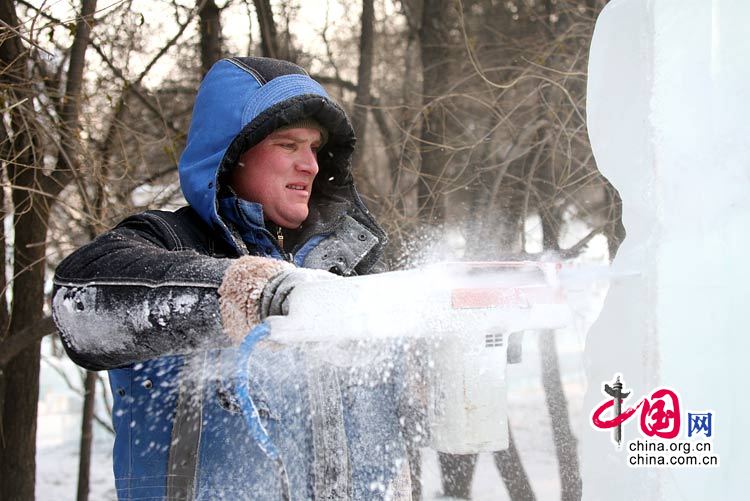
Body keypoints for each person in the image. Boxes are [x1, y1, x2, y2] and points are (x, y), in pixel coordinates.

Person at [52, 57, 417, 500]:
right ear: (232, 153)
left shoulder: (352, 269)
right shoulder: (168, 243)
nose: (311, 165)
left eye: (315, 148)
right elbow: (80, 302)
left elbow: (414, 407)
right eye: (288, 145)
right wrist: (248, 292)